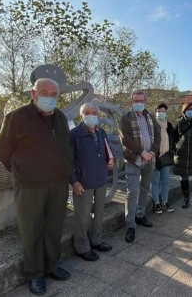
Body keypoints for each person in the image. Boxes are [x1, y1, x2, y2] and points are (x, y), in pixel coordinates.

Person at [0, 78, 73, 295]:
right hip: (30, 186)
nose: (49, 97)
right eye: (44, 92)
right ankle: (35, 273)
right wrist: (22, 173)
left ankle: (52, 265)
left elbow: (65, 148)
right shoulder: (17, 117)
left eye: (54, 94)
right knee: (31, 230)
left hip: (57, 184)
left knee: (54, 226)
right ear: (33, 93)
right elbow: (1, 152)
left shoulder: (60, 117)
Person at [69, 102, 114, 262]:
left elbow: (107, 151)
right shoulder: (74, 134)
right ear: (81, 116)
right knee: (82, 216)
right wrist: (74, 181)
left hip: (101, 179)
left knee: (99, 212)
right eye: (87, 112)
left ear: (99, 116)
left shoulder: (101, 132)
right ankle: (82, 247)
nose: (91, 115)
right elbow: (67, 161)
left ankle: (96, 240)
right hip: (83, 182)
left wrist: (111, 161)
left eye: (94, 112)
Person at [118, 91, 161, 243]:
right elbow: (125, 138)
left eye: (141, 100)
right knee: (132, 192)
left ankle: (140, 215)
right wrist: (142, 152)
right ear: (131, 102)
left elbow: (158, 137)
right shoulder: (125, 118)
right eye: (136, 100)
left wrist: (152, 152)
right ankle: (130, 224)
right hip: (133, 160)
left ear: (145, 101)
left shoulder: (150, 118)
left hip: (150, 160)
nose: (139, 103)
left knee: (145, 189)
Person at [151, 103, 175, 214]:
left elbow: (173, 140)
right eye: (159, 111)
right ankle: (156, 203)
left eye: (164, 111)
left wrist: (172, 152)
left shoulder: (169, 125)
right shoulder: (151, 124)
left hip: (166, 157)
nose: (162, 113)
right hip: (155, 157)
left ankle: (165, 202)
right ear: (155, 112)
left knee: (165, 181)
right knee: (155, 181)